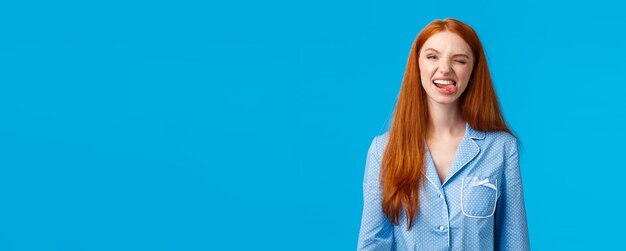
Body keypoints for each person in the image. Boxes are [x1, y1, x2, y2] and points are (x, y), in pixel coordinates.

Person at [357, 18, 530, 250]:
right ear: (417, 65)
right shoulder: (383, 150)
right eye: (432, 57)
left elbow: (514, 242)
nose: (445, 69)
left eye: (459, 60)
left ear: (473, 71)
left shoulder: (501, 148)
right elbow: (372, 242)